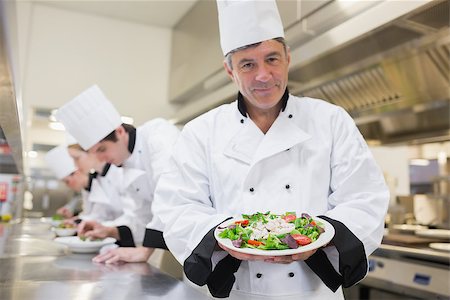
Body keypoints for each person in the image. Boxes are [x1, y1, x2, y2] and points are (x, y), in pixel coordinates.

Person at [152, 0, 390, 299]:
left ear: (288, 58)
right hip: (237, 291)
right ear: (229, 69)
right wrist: (231, 236)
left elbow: (364, 197)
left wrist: (321, 237)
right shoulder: (202, 131)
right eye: (248, 64)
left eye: (272, 59)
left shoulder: (331, 120)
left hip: (311, 292)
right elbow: (178, 206)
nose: (263, 75)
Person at [55, 85, 180, 263]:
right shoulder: (124, 162)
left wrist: (144, 251)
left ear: (119, 132)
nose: (101, 158)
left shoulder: (158, 135)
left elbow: (171, 194)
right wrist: (108, 230)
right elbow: (139, 215)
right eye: (94, 153)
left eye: (102, 149)